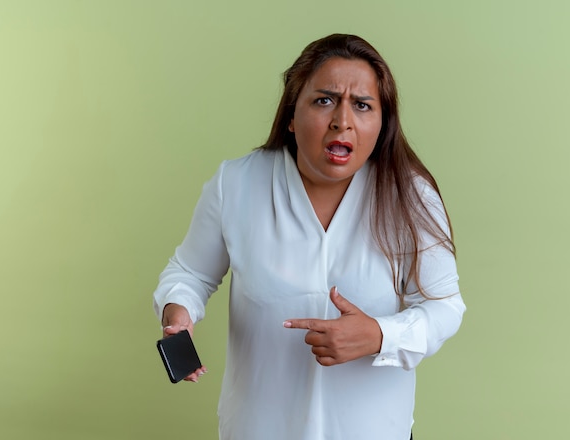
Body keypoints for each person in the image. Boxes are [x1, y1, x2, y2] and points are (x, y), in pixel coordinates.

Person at [153, 33, 465, 440]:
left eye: (362, 105)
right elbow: (190, 273)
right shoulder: (238, 184)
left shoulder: (411, 195)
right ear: (291, 114)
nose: (342, 120)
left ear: (382, 121)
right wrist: (178, 312)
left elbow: (445, 307)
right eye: (324, 100)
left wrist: (380, 335)